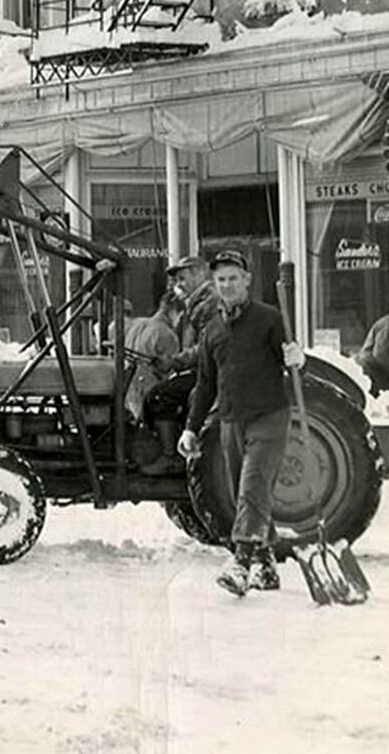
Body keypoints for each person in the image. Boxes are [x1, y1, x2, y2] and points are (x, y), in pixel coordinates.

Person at [177, 249, 304, 597]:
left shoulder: (269, 319)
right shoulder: (211, 331)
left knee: (252, 487)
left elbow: (290, 362)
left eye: (234, 278)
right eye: (221, 280)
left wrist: (297, 357)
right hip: (231, 420)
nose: (228, 285)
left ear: (247, 280)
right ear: (214, 284)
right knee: (244, 495)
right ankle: (266, 564)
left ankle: (241, 563)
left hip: (269, 416)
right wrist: (191, 427)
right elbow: (204, 384)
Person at [123, 292, 184, 474]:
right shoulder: (166, 334)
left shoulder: (137, 325)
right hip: (151, 393)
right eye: (180, 316)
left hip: (131, 392)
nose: (180, 321)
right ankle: (170, 454)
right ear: (173, 311)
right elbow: (170, 371)